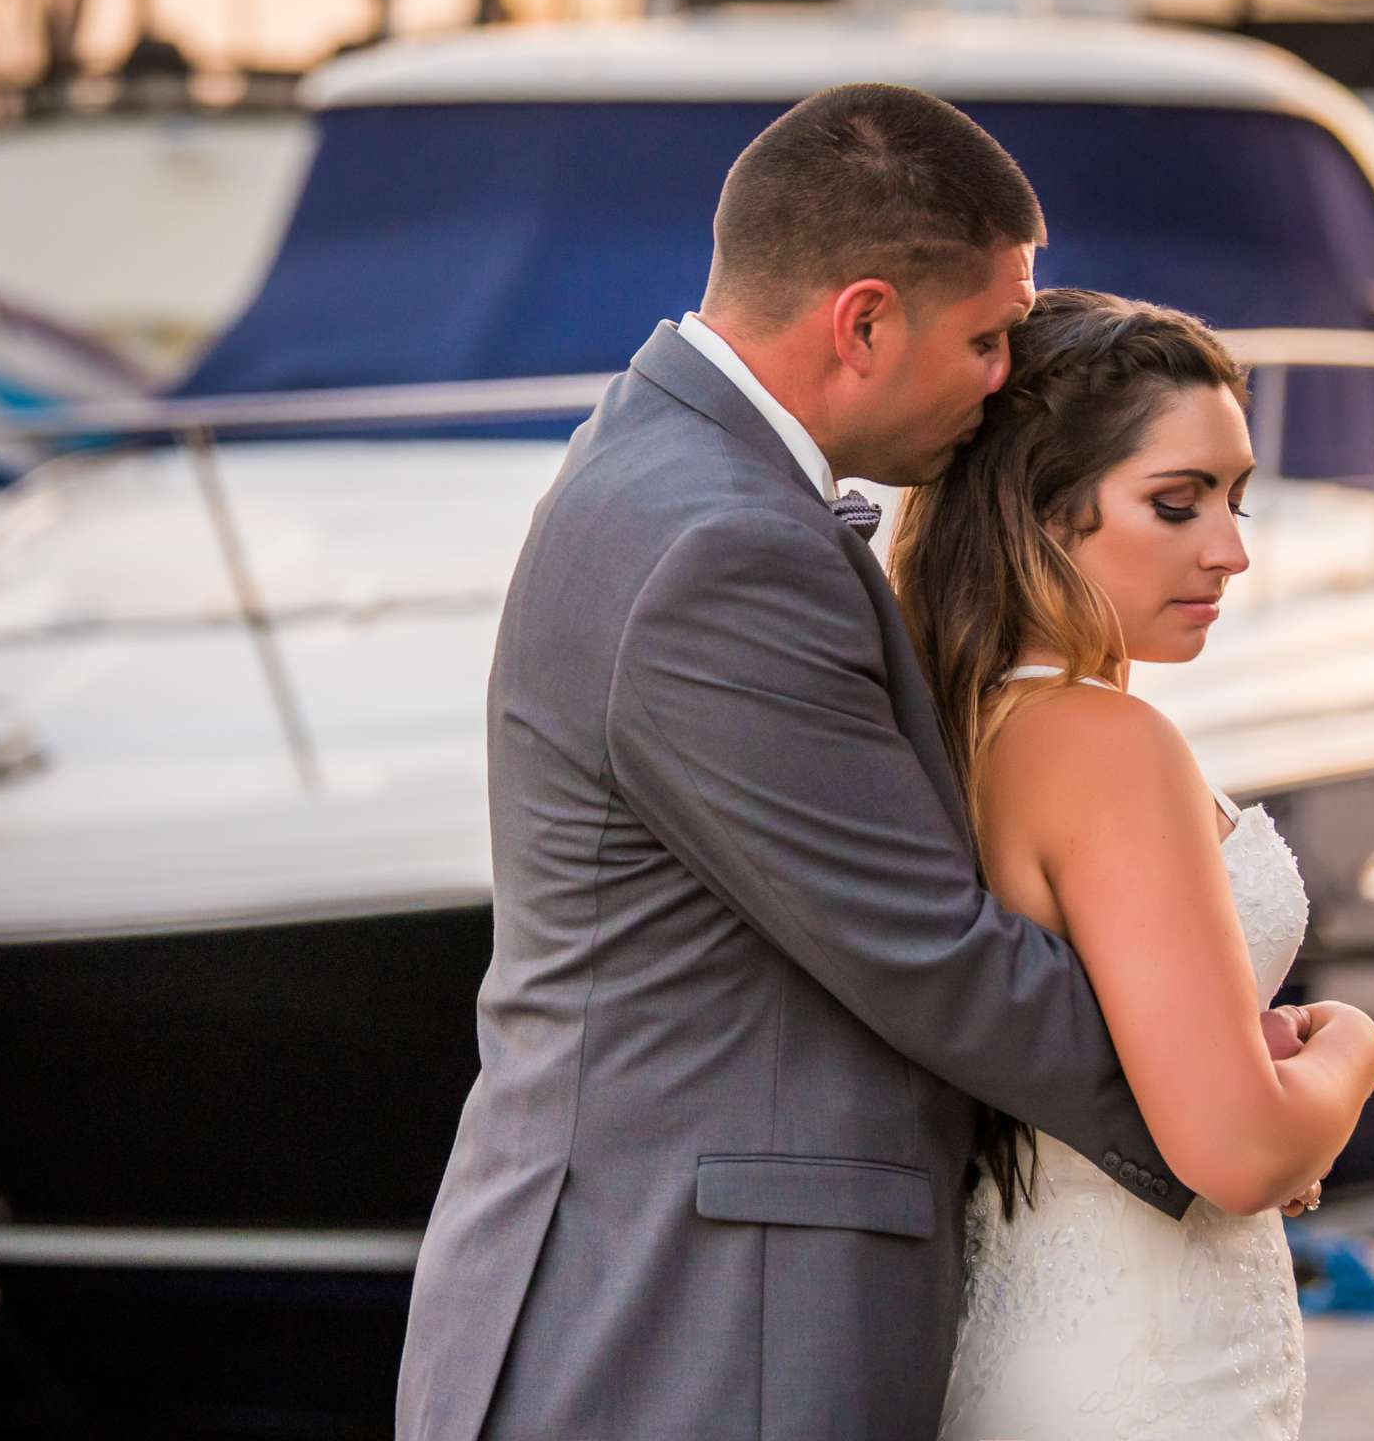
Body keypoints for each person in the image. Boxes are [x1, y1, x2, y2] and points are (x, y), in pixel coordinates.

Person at [396, 84, 1306, 1441]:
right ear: (866, 319)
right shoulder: (722, 546)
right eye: (989, 337)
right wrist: (1238, 1101)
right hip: (686, 1322)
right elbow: (928, 951)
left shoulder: (651, 468)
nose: (1009, 378)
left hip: (654, 1288)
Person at [890, 288, 1374, 1441]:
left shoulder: (974, 728)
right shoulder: (1104, 743)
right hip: (1146, 1367)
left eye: (1236, 499)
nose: (1232, 549)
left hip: (1054, 1331)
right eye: (1178, 503)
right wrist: (1350, 1046)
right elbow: (1238, 1150)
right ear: (1044, 512)